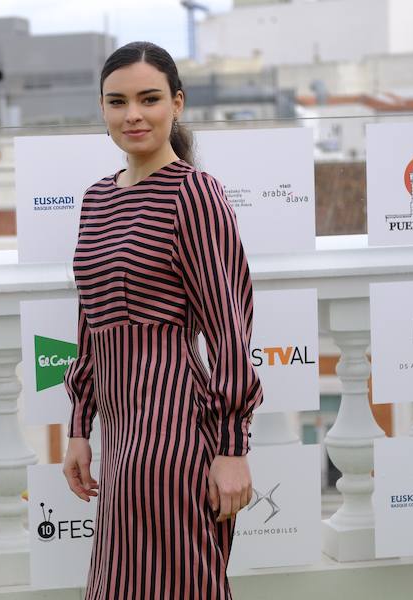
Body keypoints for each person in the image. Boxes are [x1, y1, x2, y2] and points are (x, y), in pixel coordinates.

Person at [62, 41, 264, 599]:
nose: (133, 114)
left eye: (149, 99)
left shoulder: (195, 194)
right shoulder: (96, 200)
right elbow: (90, 321)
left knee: (180, 585)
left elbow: (229, 322)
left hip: (177, 433)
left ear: (176, 104)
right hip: (120, 436)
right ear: (102, 110)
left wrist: (230, 447)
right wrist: (81, 427)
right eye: (117, 101)